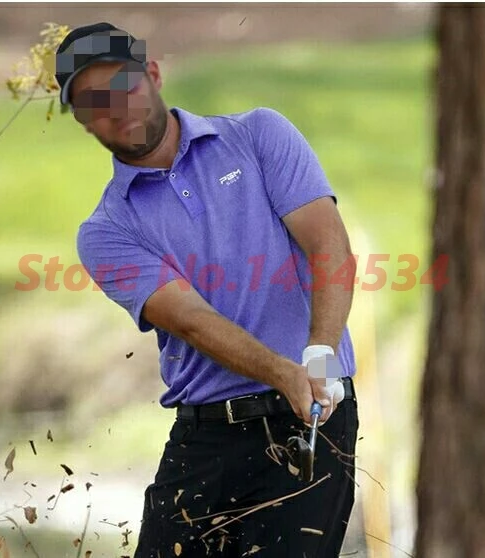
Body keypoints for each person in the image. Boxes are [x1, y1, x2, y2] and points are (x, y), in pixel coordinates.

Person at [56, 22, 360, 558]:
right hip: (205, 438)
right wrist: (283, 372)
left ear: (153, 74)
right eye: (93, 102)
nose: (115, 108)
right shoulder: (106, 232)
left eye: (122, 84)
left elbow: (328, 244)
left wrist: (320, 354)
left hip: (311, 422)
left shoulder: (258, 135)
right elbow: (192, 321)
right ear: (82, 120)